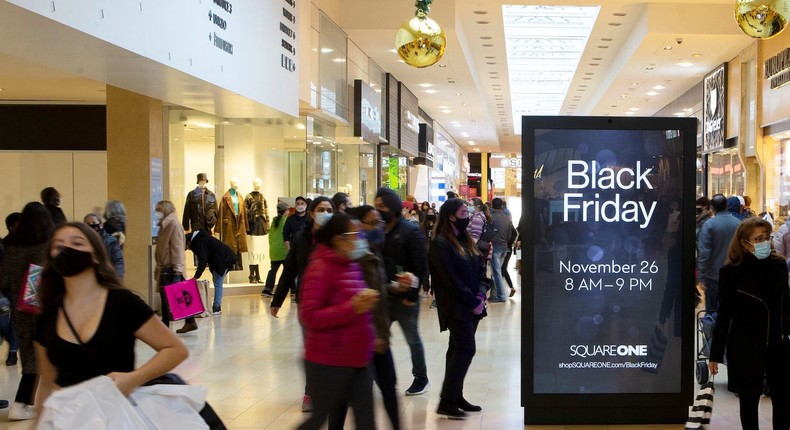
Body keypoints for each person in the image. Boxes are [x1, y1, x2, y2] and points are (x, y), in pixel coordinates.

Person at [34, 223, 189, 416]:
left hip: (116, 415)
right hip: (71, 418)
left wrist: (134, 378)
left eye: (77, 243)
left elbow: (175, 349)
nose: (67, 249)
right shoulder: (47, 317)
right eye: (59, 246)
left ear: (96, 255)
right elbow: (47, 383)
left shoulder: (122, 303)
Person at [296, 213, 379, 430]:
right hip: (328, 361)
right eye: (356, 235)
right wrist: (352, 307)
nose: (360, 239)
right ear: (338, 239)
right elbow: (309, 315)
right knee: (318, 419)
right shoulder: (320, 268)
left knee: (366, 422)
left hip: (357, 359)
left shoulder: (351, 265)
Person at [708, 217, 790, 430]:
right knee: (749, 399)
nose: (764, 242)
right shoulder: (731, 273)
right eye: (758, 238)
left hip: (777, 343)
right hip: (745, 346)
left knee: (782, 399)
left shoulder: (779, 266)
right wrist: (715, 353)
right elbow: (724, 314)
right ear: (744, 243)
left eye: (766, 237)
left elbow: (786, 306)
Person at [271, 196, 334, 412]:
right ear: (312, 212)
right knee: (313, 348)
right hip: (309, 303)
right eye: (321, 209)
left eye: (328, 209)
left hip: (334, 301)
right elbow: (289, 270)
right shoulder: (301, 239)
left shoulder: (338, 237)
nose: (325, 213)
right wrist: (277, 300)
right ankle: (311, 392)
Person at [428, 198, 487, 419]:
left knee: (456, 349)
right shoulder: (441, 243)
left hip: (473, 305)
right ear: (451, 216)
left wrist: (480, 296)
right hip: (456, 307)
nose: (468, 216)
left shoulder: (466, 241)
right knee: (465, 348)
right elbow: (449, 280)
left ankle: (455, 395)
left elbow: (482, 271)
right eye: (464, 213)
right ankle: (446, 400)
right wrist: (473, 302)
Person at [0, 202, 54, 420]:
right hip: (47, 308)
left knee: (30, 356)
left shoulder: (11, 247)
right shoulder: (46, 246)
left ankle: (25, 403)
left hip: (21, 310)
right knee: (51, 354)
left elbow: (2, 279)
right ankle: (26, 402)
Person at [347, 205, 399, 429]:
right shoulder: (353, 257)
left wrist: (393, 288)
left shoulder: (373, 252)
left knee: (388, 387)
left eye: (379, 222)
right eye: (372, 222)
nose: (379, 226)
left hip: (378, 333)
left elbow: (375, 292)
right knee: (353, 397)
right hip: (362, 337)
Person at [375, 187, 430, 396]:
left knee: (412, 339)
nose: (380, 210)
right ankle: (380, 376)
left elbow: (420, 265)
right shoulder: (376, 230)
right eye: (377, 206)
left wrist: (411, 296)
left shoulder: (410, 230)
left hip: (405, 298)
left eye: (383, 205)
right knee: (377, 337)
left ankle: (421, 378)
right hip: (383, 296)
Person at [153, 201, 198, 333]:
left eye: (159, 209)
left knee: (172, 296)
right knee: (168, 296)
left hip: (171, 267)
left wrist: (177, 269)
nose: (157, 212)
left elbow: (177, 247)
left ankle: (169, 323)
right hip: (165, 267)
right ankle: (186, 321)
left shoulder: (173, 224)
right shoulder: (164, 225)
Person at [697, 194, 742, 312]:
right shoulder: (738, 224)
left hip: (713, 274)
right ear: (726, 205)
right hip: (734, 273)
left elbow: (704, 253)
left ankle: (713, 330)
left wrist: (701, 276)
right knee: (732, 309)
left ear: (712, 207)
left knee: (712, 311)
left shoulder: (709, 225)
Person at [187, 229, 237, 315]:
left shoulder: (199, 242)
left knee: (218, 283)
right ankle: (217, 306)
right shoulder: (201, 239)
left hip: (223, 259)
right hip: (224, 257)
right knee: (218, 282)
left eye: (186, 247)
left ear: (188, 242)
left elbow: (202, 260)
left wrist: (196, 276)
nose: (187, 249)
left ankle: (217, 307)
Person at [83, 213, 125, 279]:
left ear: (101, 225)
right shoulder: (81, 242)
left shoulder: (111, 241)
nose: (91, 225)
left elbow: (118, 262)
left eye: (93, 222)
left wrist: (117, 279)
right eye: (88, 224)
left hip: (106, 278)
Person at [489, 198, 514, 303]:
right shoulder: (507, 218)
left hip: (495, 246)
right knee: (496, 272)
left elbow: (488, 233)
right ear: (502, 206)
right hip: (504, 247)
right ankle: (493, 295)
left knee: (497, 272)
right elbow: (510, 234)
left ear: (492, 206)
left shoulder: (491, 218)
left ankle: (501, 295)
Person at [262, 201, 289, 297]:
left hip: (273, 251)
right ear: (285, 211)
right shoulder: (286, 221)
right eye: (287, 210)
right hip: (284, 251)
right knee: (290, 271)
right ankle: (292, 291)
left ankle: (267, 289)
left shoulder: (274, 222)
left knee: (273, 270)